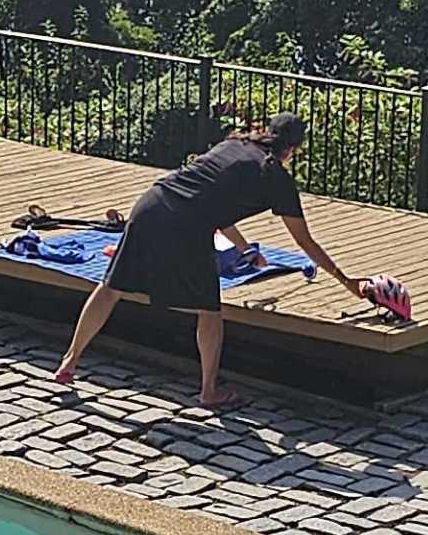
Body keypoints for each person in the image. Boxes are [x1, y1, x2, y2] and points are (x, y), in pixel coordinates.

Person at [47, 111, 381, 407]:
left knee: (111, 287)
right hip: (186, 224)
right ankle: (208, 390)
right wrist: (347, 281)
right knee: (209, 310)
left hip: (152, 202)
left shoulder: (233, 144)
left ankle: (68, 362)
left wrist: (245, 248)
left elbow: (212, 201)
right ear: (292, 150)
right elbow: (304, 241)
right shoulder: (276, 178)